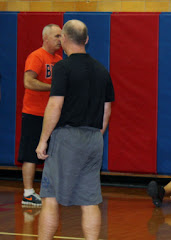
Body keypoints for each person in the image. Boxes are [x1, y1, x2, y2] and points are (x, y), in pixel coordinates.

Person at [35, 19, 114, 240]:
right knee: (90, 201)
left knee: (50, 197)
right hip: (94, 139)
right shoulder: (102, 70)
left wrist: (43, 140)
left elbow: (55, 105)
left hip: (67, 138)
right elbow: (107, 110)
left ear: (64, 39)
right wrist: (96, 135)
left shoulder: (63, 67)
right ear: (86, 40)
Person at [18, 24, 62, 206]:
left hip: (52, 115)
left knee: (51, 154)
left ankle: (49, 190)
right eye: (56, 36)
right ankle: (28, 193)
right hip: (34, 114)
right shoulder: (37, 56)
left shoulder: (59, 59)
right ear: (45, 38)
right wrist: (53, 87)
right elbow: (28, 82)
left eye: (61, 36)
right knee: (30, 154)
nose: (60, 40)